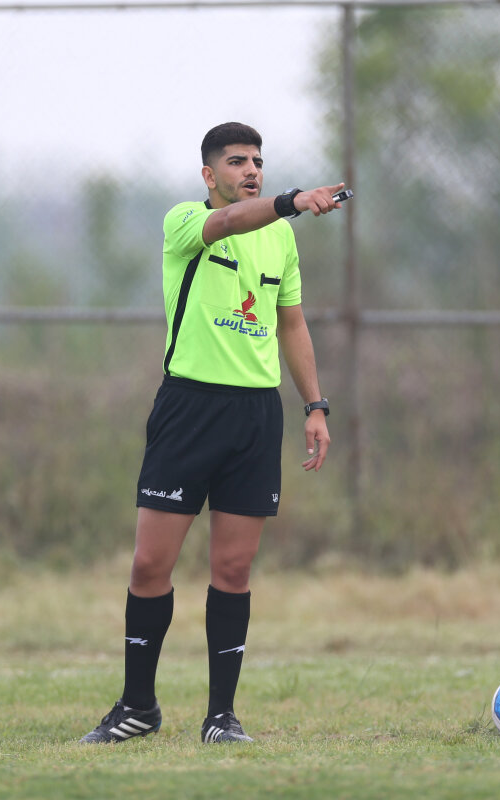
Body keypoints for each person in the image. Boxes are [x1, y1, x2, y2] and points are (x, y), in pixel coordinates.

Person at [80, 122, 344, 745]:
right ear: (209, 174)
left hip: (255, 416)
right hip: (189, 410)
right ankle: (138, 707)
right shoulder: (184, 222)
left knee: (232, 566)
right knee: (151, 564)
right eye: (236, 161)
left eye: (257, 161)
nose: (251, 170)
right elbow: (228, 223)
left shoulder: (280, 238)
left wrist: (315, 405)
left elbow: (292, 323)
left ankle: (221, 717)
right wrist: (291, 200)